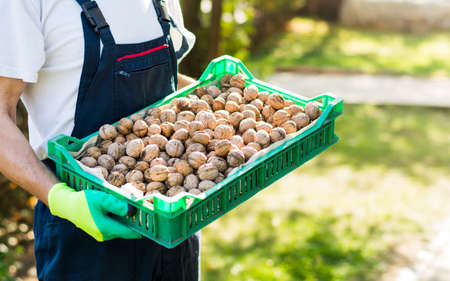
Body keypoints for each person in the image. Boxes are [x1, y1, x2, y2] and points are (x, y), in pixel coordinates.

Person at [0, 0, 199, 280]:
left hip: (175, 221)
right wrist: (62, 199)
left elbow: (160, 84)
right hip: (85, 236)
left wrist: (219, 91)